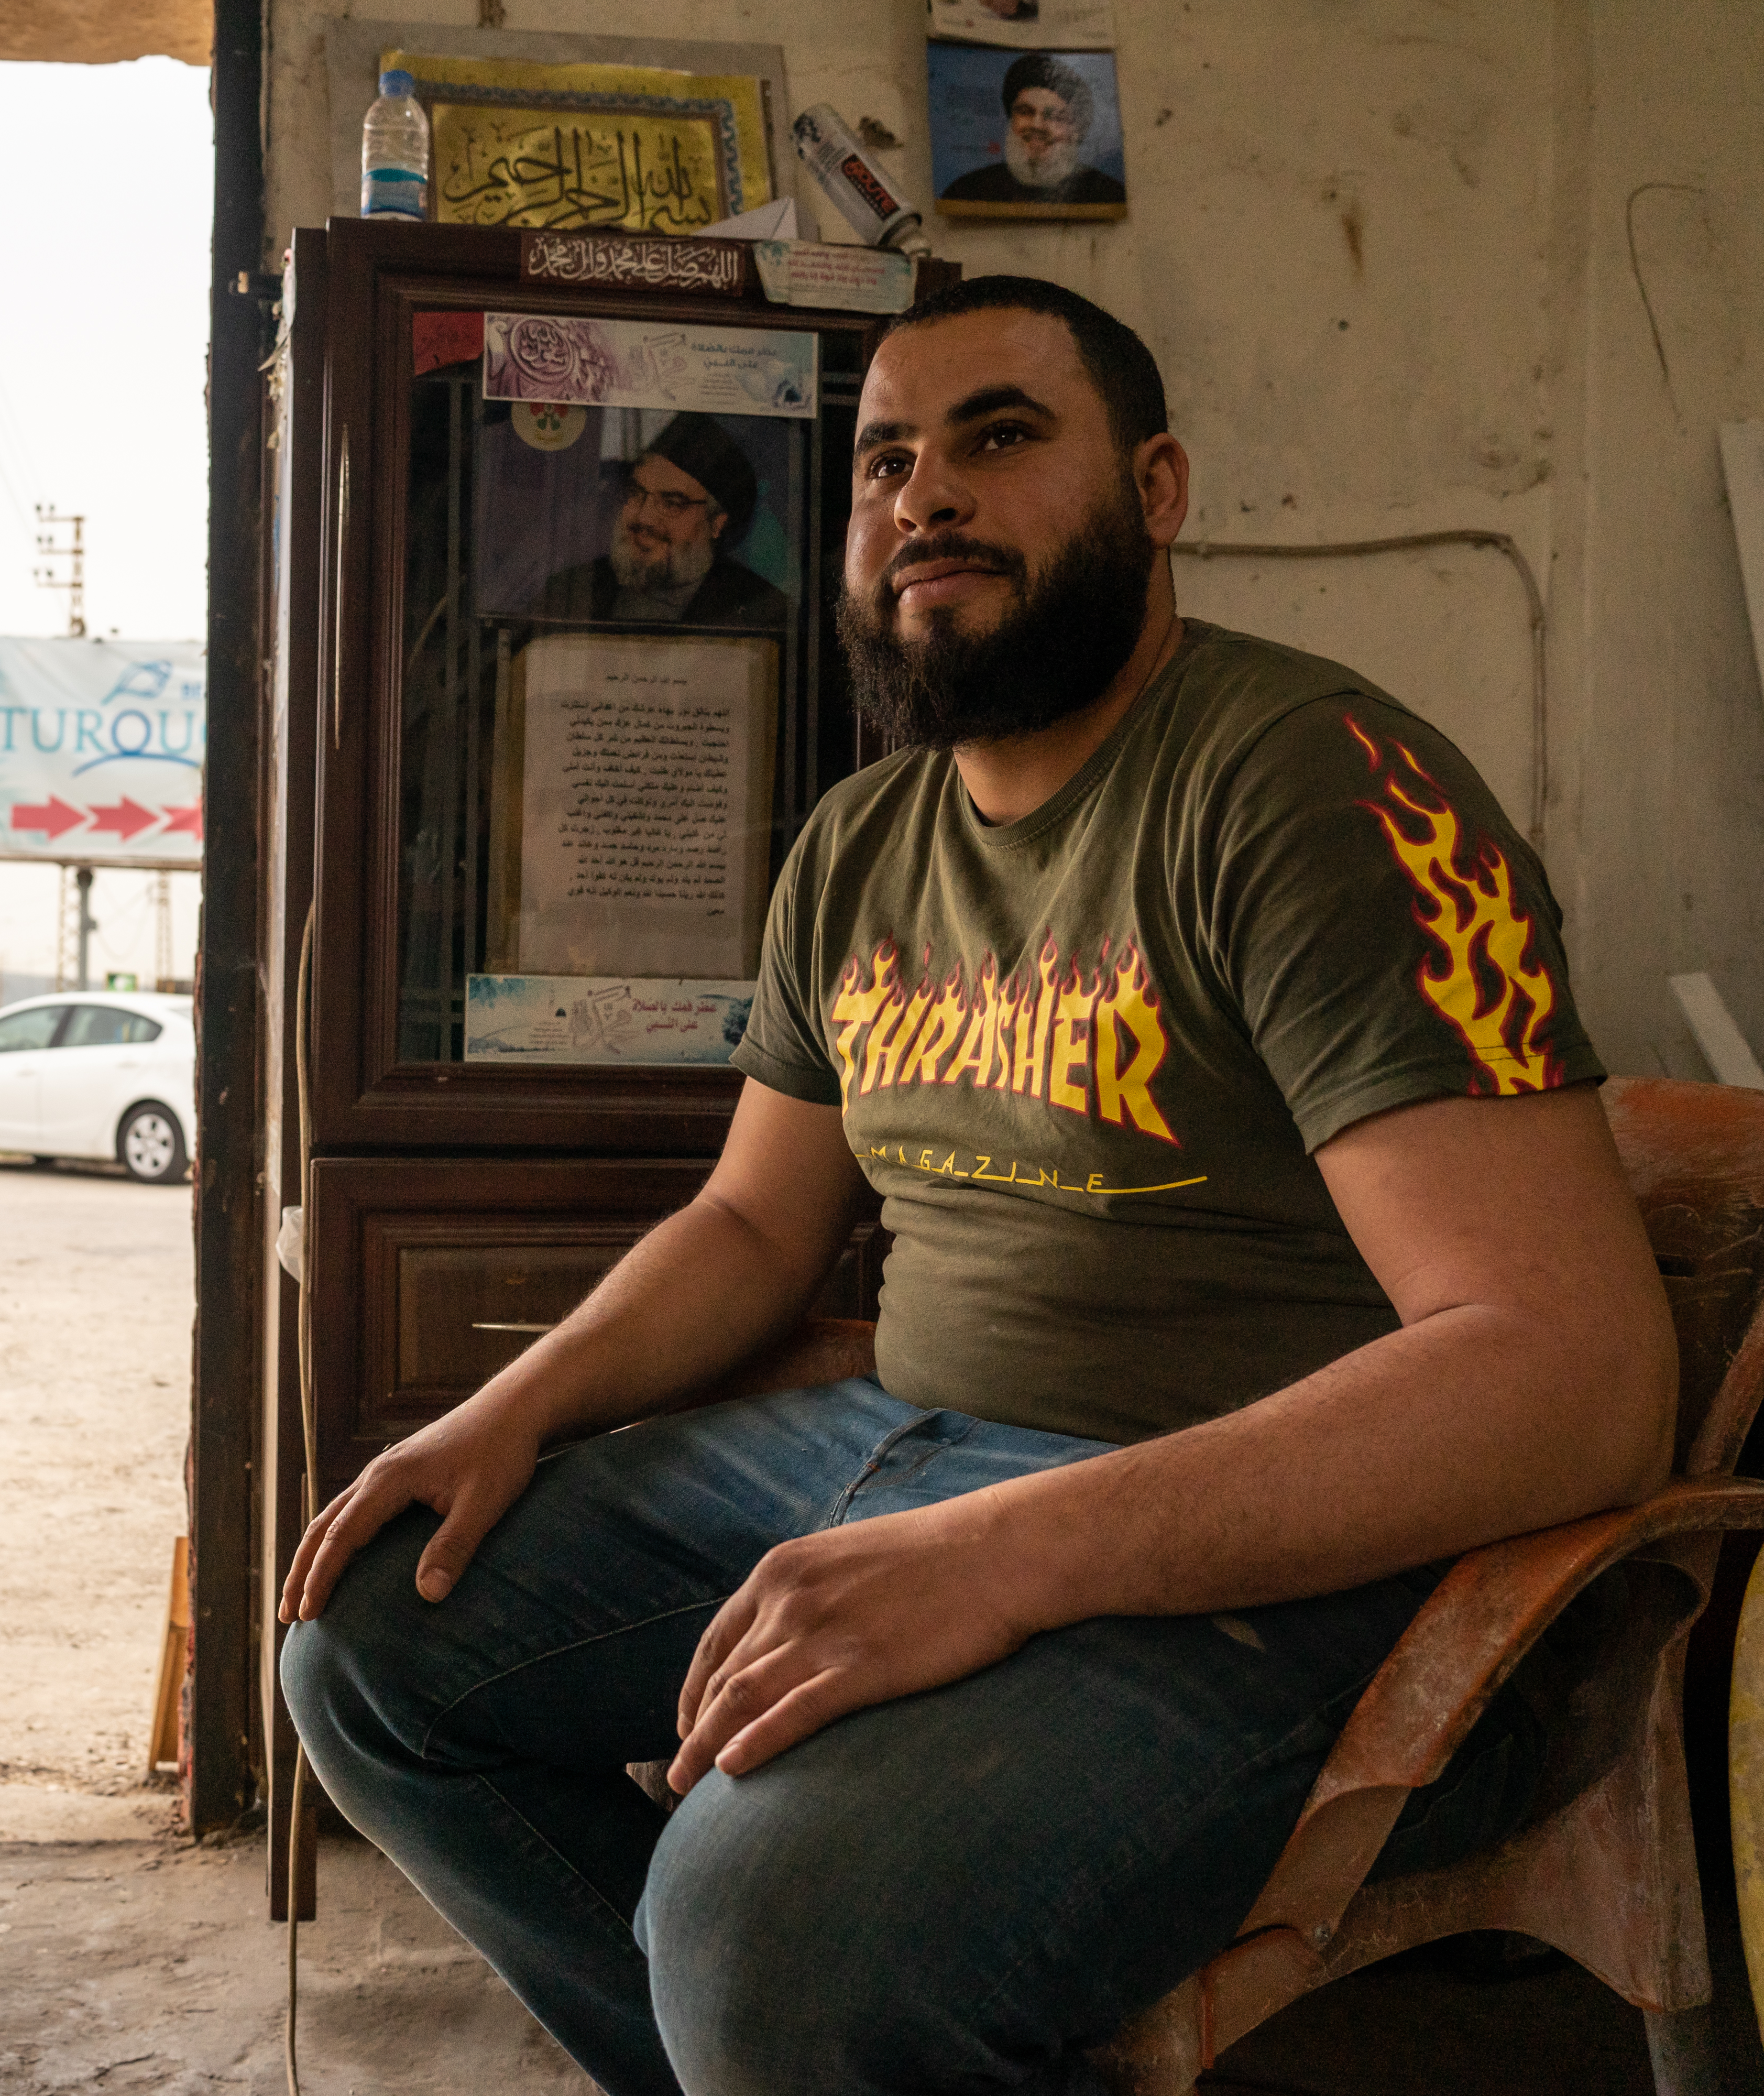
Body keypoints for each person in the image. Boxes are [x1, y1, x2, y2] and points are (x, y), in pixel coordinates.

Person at [280, 275, 1674, 2095]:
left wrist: (1007, 1561)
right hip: (906, 1443)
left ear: (1157, 488)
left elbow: (1575, 1376)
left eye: (1000, 438)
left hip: (1283, 1548)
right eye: (882, 463)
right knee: (371, 1644)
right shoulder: (866, 842)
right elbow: (752, 1225)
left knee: (761, 1928)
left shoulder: (1315, 787)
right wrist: (506, 1412)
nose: (925, 495)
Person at [538, 413, 794, 630]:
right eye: (637, 493)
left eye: (673, 503)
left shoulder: (763, 612)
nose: (644, 517)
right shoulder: (566, 593)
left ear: (716, 524)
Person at [941, 53, 1128, 208]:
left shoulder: (1107, 195)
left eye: (1055, 117)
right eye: (1025, 112)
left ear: (1077, 131)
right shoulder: (968, 191)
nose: (1037, 125)